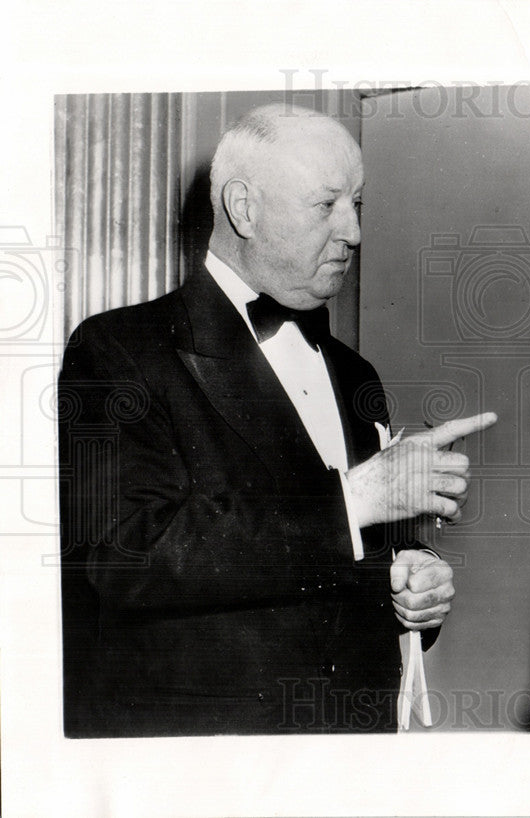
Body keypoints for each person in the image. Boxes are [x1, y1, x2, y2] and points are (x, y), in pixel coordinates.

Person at [58, 103, 496, 736]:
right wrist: (359, 497)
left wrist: (406, 583)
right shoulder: (118, 350)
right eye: (327, 205)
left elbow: (343, 550)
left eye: (358, 205)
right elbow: (127, 559)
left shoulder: (355, 374)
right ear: (244, 208)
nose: (354, 231)